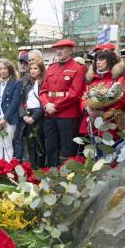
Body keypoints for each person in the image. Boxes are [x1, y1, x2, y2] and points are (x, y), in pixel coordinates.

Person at [39, 39, 87, 167]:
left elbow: (75, 93)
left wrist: (55, 106)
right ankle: (51, 174)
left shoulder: (78, 68)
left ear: (70, 50)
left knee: (67, 148)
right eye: (57, 49)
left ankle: (67, 177)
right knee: (51, 147)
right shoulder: (51, 68)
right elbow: (43, 91)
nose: (58, 51)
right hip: (50, 115)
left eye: (62, 48)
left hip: (67, 115)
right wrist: (46, 104)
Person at [79, 51, 125, 141]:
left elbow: (123, 100)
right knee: (94, 150)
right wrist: (87, 109)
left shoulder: (117, 78)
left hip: (111, 122)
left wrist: (104, 112)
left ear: (110, 61)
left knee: (110, 151)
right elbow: (84, 96)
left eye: (102, 59)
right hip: (92, 122)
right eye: (97, 60)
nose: (98, 62)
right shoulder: (91, 79)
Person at [0, 59, 22, 162]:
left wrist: (4, 119)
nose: (3, 71)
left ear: (10, 69)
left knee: (7, 145)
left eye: (5, 68)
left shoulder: (16, 83)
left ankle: (8, 171)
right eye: (0, 68)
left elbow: (14, 103)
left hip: (9, 118)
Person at [19, 60, 46, 168]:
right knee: (30, 144)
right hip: (28, 114)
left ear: (41, 70)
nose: (33, 71)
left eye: (35, 68)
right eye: (31, 69)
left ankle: (40, 169)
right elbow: (21, 102)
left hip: (39, 115)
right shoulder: (27, 84)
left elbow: (44, 103)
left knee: (39, 144)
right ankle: (32, 168)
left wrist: (34, 117)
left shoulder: (44, 84)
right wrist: (24, 115)